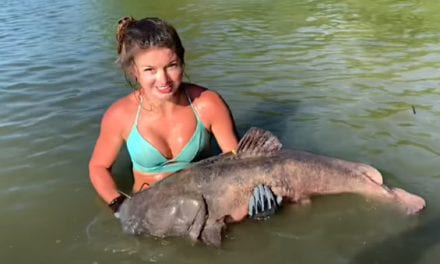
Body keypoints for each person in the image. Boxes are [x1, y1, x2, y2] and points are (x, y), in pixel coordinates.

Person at [88, 16, 279, 219]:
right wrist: (119, 207)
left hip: (207, 206)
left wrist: (256, 194)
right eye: (150, 70)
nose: (163, 80)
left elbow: (236, 160)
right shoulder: (119, 115)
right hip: (152, 215)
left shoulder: (208, 103)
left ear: (182, 61)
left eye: (171, 65)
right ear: (135, 71)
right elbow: (98, 167)